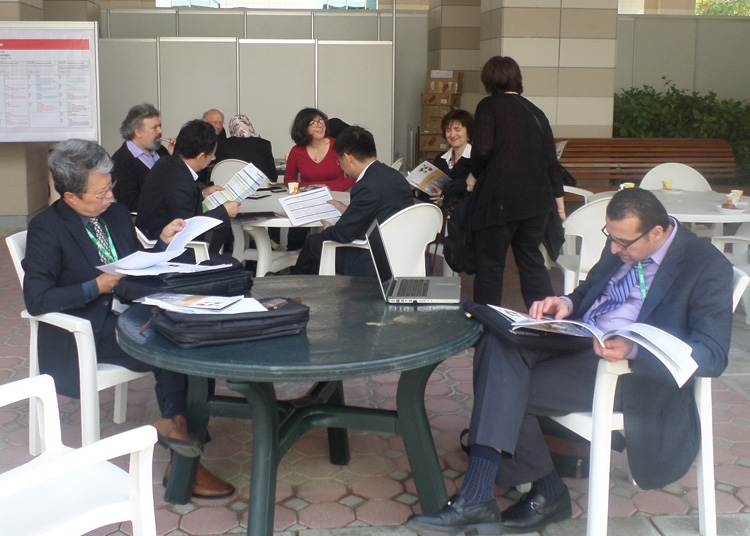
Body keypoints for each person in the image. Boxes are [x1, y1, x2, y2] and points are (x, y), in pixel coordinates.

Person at [405, 188, 733, 535]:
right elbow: (591, 291)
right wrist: (566, 303)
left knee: (504, 385)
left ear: (656, 233)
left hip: (627, 372)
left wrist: (634, 349)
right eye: (610, 238)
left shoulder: (706, 266)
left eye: (623, 243)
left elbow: (713, 354)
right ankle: (495, 495)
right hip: (579, 338)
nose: (613, 249)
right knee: (497, 340)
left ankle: (508, 494)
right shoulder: (623, 243)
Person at [23, 139, 236, 499]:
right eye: (100, 193)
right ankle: (184, 456)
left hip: (131, 312)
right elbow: (37, 299)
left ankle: (179, 431)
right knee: (173, 347)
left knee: (192, 334)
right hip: (86, 329)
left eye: (110, 187)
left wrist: (163, 243)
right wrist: (96, 286)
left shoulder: (116, 214)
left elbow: (137, 262)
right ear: (70, 196)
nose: (110, 197)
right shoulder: (48, 227)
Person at [467, 56, 565, 308]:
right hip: (537, 201)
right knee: (531, 260)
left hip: (499, 199)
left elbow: (483, 150)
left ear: (488, 80)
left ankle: (489, 324)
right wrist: (559, 200)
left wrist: (473, 174)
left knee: (490, 265)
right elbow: (551, 161)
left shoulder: (489, 106)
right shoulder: (535, 111)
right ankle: (544, 321)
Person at [293, 126, 414, 276]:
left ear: (348, 158)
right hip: (404, 251)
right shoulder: (394, 176)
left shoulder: (365, 186)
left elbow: (344, 234)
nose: (341, 166)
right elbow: (380, 211)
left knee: (313, 242)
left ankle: (295, 286)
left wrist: (328, 228)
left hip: (372, 259)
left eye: (339, 161)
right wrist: (348, 211)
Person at [136, 119, 240, 254]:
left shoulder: (165, 163)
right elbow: (187, 230)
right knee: (234, 263)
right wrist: (224, 212)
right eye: (212, 155)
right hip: (167, 251)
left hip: (149, 240)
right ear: (201, 156)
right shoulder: (182, 183)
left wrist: (201, 193)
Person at [284, 108, 356, 250]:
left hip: (336, 198)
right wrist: (307, 190)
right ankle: (294, 256)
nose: (320, 125)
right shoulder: (296, 151)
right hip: (307, 199)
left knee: (335, 233)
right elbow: (289, 179)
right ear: (303, 128)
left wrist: (329, 189)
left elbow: (353, 177)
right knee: (296, 231)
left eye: (321, 121)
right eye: (313, 123)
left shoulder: (338, 146)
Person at [111, 103, 173, 212]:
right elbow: (130, 203)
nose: (160, 131)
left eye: (160, 126)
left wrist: (174, 158)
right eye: (155, 128)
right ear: (138, 132)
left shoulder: (161, 150)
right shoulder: (121, 161)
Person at [422, 109, 473, 205]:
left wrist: (445, 195)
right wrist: (418, 187)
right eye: (448, 130)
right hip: (441, 210)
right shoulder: (440, 159)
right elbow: (432, 191)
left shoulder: (476, 159)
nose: (452, 135)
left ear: (468, 132)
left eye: (457, 130)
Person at [215, 114, 278, 183]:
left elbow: (220, 170)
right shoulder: (265, 144)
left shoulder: (223, 145)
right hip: (262, 186)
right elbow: (273, 176)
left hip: (235, 185)